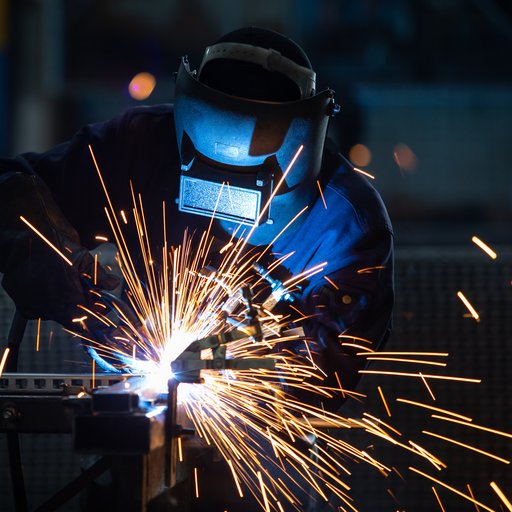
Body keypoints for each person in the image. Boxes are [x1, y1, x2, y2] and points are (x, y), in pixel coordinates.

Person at [0, 26, 393, 510]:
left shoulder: (346, 222)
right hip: (131, 434)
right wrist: (75, 286)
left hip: (261, 466)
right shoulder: (138, 146)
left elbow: (326, 367)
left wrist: (242, 357)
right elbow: (11, 190)